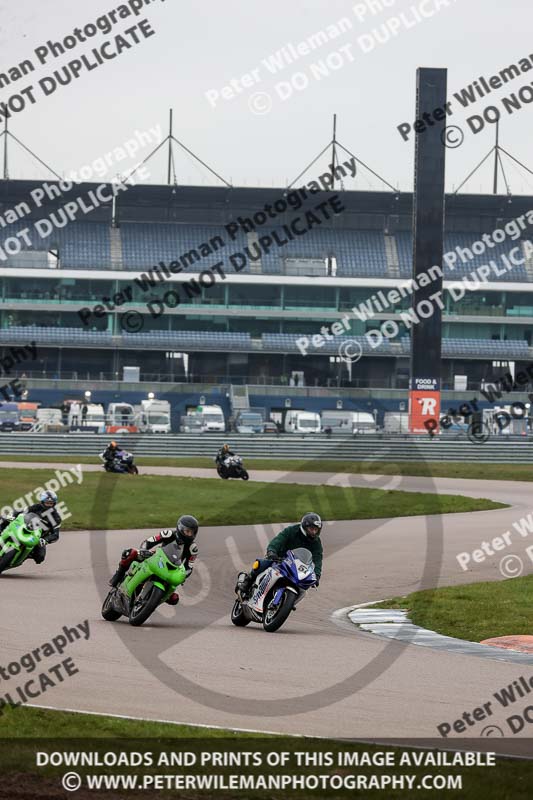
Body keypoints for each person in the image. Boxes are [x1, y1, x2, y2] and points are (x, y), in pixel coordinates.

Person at [108, 515, 200, 603]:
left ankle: (151, 601)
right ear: (180, 528)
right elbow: (150, 541)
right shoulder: (169, 534)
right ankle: (119, 575)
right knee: (131, 553)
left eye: (191, 532)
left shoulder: (193, 548)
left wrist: (183, 575)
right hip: (156, 557)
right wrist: (143, 550)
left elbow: (189, 567)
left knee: (174, 599)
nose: (189, 534)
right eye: (187, 531)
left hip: (173, 570)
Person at [237, 512, 323, 595]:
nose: (314, 532)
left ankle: (289, 601)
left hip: (297, 567)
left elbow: (317, 558)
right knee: (261, 564)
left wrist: (317, 575)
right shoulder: (291, 531)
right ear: (305, 526)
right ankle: (248, 580)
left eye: (316, 530)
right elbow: (278, 540)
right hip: (279, 559)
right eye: (311, 529)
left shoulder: (316, 542)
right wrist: (272, 551)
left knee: (304, 587)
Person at [0, 490, 61, 564]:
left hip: (37, 537)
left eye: (51, 503)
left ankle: (25, 555)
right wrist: (12, 515)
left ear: (54, 504)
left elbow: (55, 535)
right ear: (42, 502)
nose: (49, 505)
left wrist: (45, 540)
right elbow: (21, 511)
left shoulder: (56, 518)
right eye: (47, 503)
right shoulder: (36, 507)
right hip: (24, 528)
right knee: (3, 518)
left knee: (40, 557)